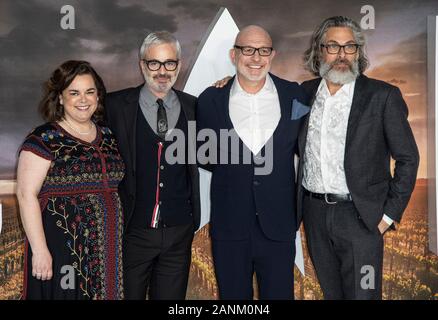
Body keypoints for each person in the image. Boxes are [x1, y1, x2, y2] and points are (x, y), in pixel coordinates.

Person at [296, 16, 419, 299]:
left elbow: (408, 159)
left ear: (358, 52)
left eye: (350, 46)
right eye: (333, 46)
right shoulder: (303, 94)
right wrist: (231, 83)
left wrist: (387, 216)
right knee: (332, 294)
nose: (341, 54)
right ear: (319, 50)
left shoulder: (383, 96)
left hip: (361, 218)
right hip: (314, 215)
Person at [197, 25, 307, 300]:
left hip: (279, 227)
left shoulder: (295, 95)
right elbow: (206, 157)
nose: (256, 57)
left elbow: (304, 146)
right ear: (234, 55)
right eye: (248, 50)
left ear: (272, 55)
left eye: (263, 50)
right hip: (229, 227)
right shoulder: (210, 100)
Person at [16, 60, 125, 300]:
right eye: (74, 93)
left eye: (90, 92)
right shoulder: (43, 138)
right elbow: (26, 195)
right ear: (61, 98)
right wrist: (40, 251)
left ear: (98, 96)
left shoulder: (108, 134)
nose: (83, 100)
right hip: (63, 249)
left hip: (108, 250)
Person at [105, 31, 200, 300]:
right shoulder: (114, 106)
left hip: (179, 231)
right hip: (133, 231)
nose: (162, 71)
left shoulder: (194, 107)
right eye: (154, 63)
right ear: (142, 65)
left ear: (179, 66)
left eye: (170, 63)